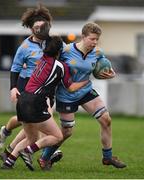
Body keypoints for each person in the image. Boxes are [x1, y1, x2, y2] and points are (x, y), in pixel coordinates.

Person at [39, 22, 127, 170]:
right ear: (83, 37)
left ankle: (108, 157)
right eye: (92, 39)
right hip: (66, 94)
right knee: (66, 132)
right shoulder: (66, 50)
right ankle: (45, 157)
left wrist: (109, 74)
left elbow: (102, 66)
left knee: (106, 120)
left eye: (97, 39)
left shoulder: (98, 52)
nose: (95, 42)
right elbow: (51, 66)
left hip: (86, 91)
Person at [1, 35, 89, 170]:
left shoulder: (41, 60)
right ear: (60, 51)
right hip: (36, 102)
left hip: (22, 99)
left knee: (31, 138)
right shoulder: (61, 66)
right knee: (57, 136)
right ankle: (28, 151)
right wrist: (86, 81)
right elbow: (71, 88)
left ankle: (8, 162)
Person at [0, 4, 63, 166]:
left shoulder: (52, 42)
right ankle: (12, 137)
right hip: (27, 86)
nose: (40, 29)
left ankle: (11, 153)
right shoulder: (24, 47)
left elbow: (64, 55)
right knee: (35, 121)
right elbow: (15, 68)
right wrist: (13, 88)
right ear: (31, 28)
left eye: (43, 26)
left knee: (33, 123)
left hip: (47, 88)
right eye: (37, 27)